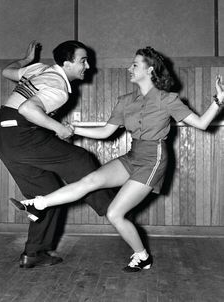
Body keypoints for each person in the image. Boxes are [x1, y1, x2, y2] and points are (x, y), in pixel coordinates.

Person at [12, 46, 224, 273]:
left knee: (114, 213)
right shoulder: (125, 101)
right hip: (133, 155)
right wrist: (73, 129)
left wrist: (219, 100)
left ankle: (142, 257)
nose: (129, 68)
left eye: (135, 65)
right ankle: (38, 204)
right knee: (90, 180)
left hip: (153, 160)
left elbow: (202, 124)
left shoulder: (167, 99)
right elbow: (105, 132)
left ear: (150, 70)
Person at [0, 40, 115, 268]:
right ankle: (114, 209)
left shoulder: (39, 69)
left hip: (3, 138)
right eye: (83, 61)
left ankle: (33, 253)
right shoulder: (59, 88)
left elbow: (6, 71)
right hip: (22, 136)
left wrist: (26, 60)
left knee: (48, 197)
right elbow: (27, 109)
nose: (87, 66)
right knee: (81, 159)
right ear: (67, 64)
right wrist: (59, 128)